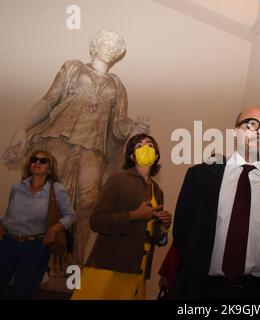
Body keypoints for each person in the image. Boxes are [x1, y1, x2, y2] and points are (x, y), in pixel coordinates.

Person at [3, 30, 149, 264]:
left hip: (93, 148)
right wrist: (22, 128)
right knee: (48, 195)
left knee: (90, 201)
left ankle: (75, 261)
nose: (110, 46)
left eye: (116, 45)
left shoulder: (118, 86)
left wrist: (135, 128)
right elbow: (49, 100)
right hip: (59, 137)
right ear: (95, 45)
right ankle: (38, 255)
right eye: (106, 42)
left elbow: (119, 126)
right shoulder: (72, 67)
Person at [172, 107, 260, 300]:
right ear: (235, 132)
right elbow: (182, 233)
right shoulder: (200, 176)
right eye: (252, 124)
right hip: (203, 291)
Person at [71, 133, 171, 300]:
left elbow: (153, 236)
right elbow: (96, 221)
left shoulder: (157, 191)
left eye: (150, 145)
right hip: (110, 265)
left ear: (157, 155)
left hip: (138, 267)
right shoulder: (118, 179)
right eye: (139, 146)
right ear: (132, 156)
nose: (145, 148)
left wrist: (164, 226)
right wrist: (134, 215)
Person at [0, 150, 76, 299]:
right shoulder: (17, 188)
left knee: (23, 292)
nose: (37, 163)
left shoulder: (57, 190)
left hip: (35, 247)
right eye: (34, 159)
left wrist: (54, 229)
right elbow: (9, 214)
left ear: (50, 168)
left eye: (43, 161)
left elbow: (71, 216)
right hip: (8, 243)